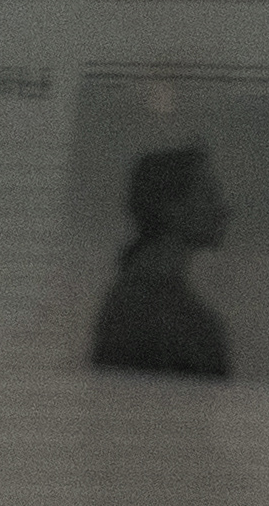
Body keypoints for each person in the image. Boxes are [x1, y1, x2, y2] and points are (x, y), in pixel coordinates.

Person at [95, 140, 238, 380]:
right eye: (210, 195)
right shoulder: (169, 316)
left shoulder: (128, 299)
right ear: (171, 208)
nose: (225, 210)